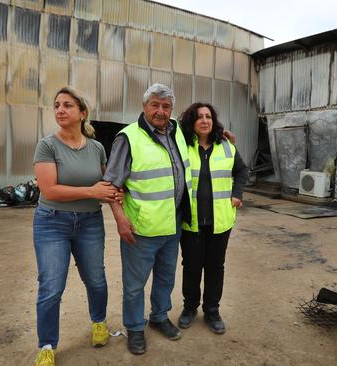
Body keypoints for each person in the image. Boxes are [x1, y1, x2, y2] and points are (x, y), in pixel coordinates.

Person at [32, 86, 119, 366]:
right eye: (56, 105)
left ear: (82, 113)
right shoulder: (47, 145)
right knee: (51, 287)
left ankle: (99, 323)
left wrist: (117, 197)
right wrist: (93, 192)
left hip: (90, 223)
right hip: (52, 222)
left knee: (95, 279)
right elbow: (50, 190)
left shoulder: (96, 148)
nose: (60, 110)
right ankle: (47, 345)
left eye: (67, 105)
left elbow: (107, 185)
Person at [103, 83, 192, 355]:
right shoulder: (128, 138)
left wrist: (225, 137)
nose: (160, 111)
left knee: (166, 278)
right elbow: (110, 187)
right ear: (144, 106)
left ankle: (159, 317)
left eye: (166, 106)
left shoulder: (176, 130)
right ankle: (135, 328)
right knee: (134, 285)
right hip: (140, 229)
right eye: (155, 105)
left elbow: (204, 132)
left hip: (172, 224)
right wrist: (120, 218)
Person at [176, 102, 248, 335]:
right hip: (191, 221)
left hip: (220, 221)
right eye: (199, 117)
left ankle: (212, 311)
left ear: (213, 120)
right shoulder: (182, 146)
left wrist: (237, 194)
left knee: (216, 267)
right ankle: (189, 308)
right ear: (191, 122)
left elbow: (242, 171)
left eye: (208, 116)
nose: (204, 120)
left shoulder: (226, 146)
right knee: (192, 267)